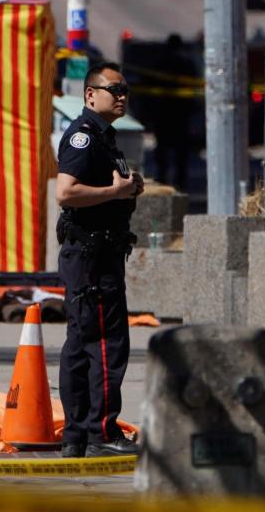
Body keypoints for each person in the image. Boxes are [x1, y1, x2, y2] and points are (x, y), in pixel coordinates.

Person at [55, 61, 144, 458]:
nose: (122, 96)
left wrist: (127, 189)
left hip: (94, 253)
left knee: (81, 343)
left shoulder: (103, 138)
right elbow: (66, 192)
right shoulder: (84, 137)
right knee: (107, 344)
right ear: (91, 95)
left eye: (125, 90)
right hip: (93, 257)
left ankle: (76, 435)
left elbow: (108, 187)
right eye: (114, 90)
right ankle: (102, 432)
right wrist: (114, 192)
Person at [151, 33, 194, 190]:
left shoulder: (160, 63)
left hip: (165, 112)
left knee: (165, 148)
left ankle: (164, 178)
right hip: (178, 113)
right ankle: (177, 180)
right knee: (178, 150)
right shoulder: (185, 63)